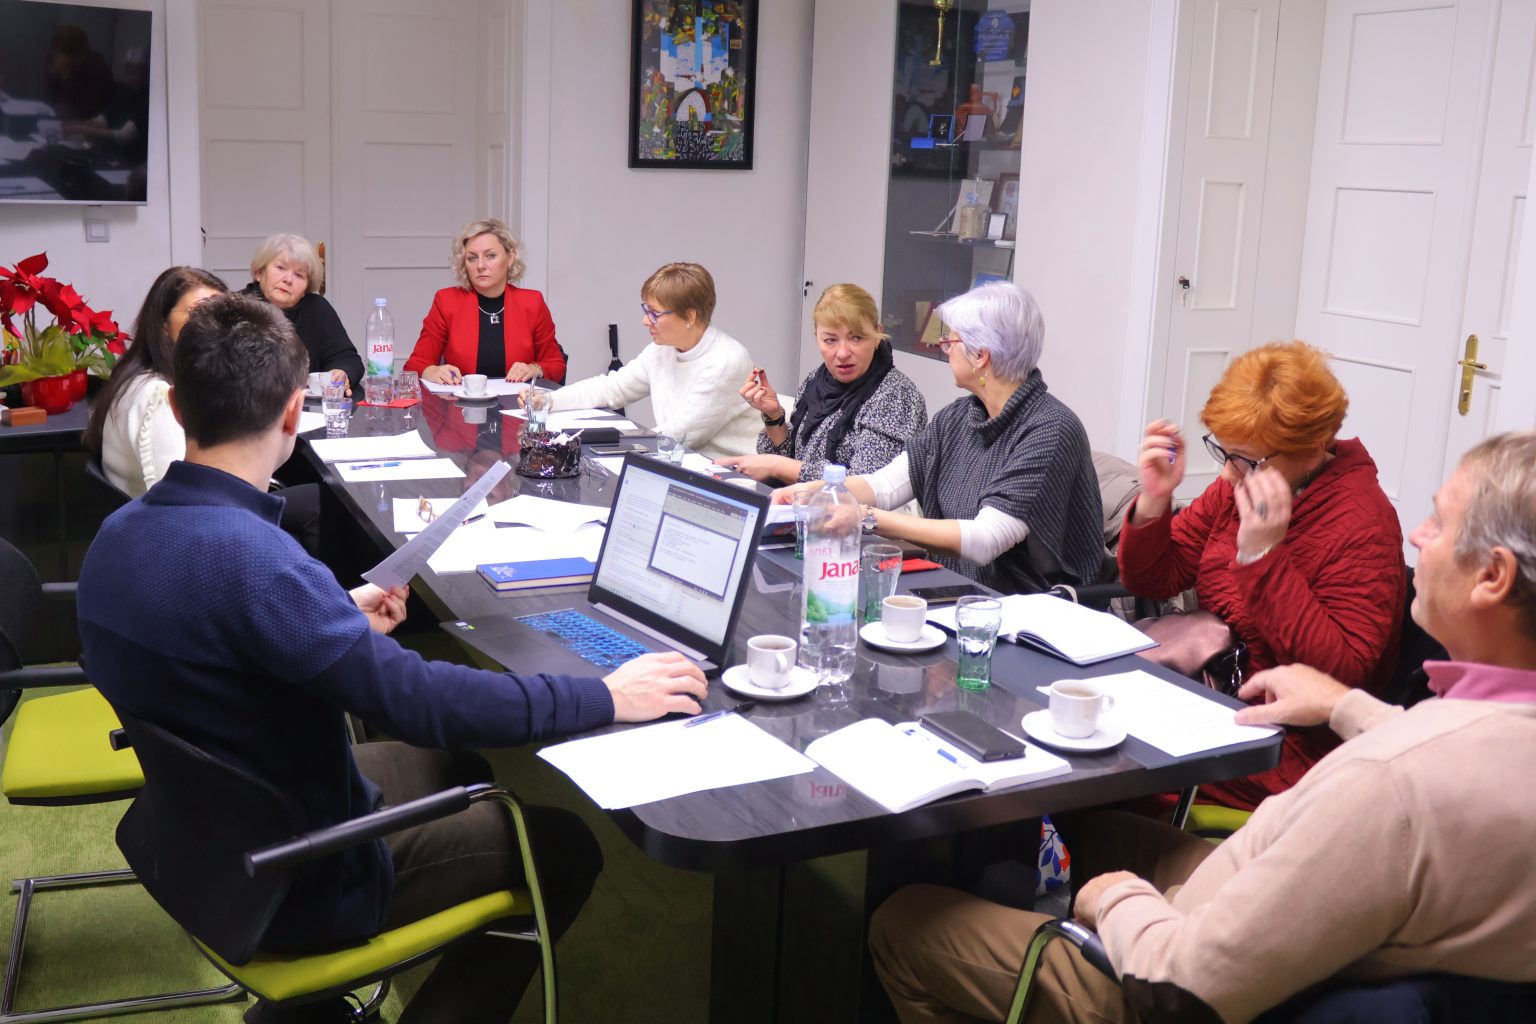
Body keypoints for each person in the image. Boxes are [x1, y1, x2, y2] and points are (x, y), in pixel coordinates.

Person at [76, 293, 707, 1024]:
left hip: (203, 835)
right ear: (292, 413)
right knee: (564, 846)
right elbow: (421, 701)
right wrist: (606, 697)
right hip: (291, 872)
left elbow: (212, 639)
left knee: (459, 767)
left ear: (177, 406)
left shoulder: (119, 537)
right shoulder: (260, 563)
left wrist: (334, 616)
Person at [869, 430, 1536, 1024]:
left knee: (905, 922)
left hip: (1180, 985)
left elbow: (1184, 984)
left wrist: (1118, 900)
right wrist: (1346, 706)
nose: (1418, 538)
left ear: (1492, 576)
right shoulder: (1483, 740)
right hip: (1310, 923)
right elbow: (1451, 760)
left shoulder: (1390, 782)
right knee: (1090, 829)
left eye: (1439, 522)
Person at [1120, 341, 1405, 810]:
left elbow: (1340, 678)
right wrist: (1154, 500)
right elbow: (1153, 579)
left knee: (1110, 768)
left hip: (1286, 749)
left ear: (1313, 451)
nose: (1228, 474)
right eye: (1224, 452)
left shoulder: (1363, 524)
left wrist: (1261, 556)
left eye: (1247, 460)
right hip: (1212, 699)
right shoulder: (1245, 484)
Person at [773, 281, 1103, 595]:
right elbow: (885, 485)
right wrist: (816, 492)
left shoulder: (1049, 429)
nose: (945, 350)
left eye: (951, 342)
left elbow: (984, 540)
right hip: (956, 591)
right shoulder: (959, 416)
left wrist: (864, 517)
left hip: (1028, 609)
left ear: (980, 356)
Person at [546, 261, 760, 461]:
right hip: (683, 461)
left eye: (654, 313)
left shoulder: (726, 361)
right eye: (646, 311)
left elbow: (677, 435)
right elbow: (611, 388)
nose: (645, 321)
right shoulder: (661, 350)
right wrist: (548, 401)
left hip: (734, 474)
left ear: (690, 317)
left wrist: (590, 440)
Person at [721, 283, 926, 485]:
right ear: (817, 337)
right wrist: (773, 416)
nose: (843, 353)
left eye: (856, 338)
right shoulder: (817, 380)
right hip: (798, 500)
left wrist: (776, 466)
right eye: (830, 340)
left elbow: (865, 486)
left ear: (877, 335)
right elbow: (790, 460)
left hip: (847, 508)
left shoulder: (896, 396)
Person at [84, 266, 227, 498]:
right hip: (174, 516)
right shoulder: (157, 395)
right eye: (199, 313)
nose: (216, 325)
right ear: (163, 325)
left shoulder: (140, 377)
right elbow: (179, 499)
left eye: (222, 314)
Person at [403, 218, 566, 385]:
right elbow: (414, 365)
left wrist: (534, 369)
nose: (480, 265)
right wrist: (432, 371)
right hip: (461, 400)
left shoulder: (532, 302)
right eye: (472, 258)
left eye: (490, 256)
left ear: (510, 258)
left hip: (518, 400)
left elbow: (555, 364)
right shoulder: (446, 301)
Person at [240, 233, 364, 392]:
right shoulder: (236, 307)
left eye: (299, 275)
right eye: (280, 268)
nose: (288, 279)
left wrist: (341, 373)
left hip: (307, 406)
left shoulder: (316, 309)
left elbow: (347, 358)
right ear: (259, 272)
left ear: (307, 287)